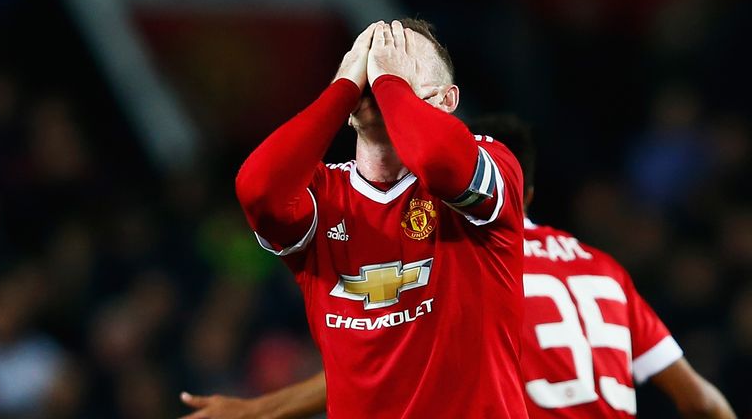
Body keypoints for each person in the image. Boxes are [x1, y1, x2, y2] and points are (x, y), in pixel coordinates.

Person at [181, 115, 736, 419]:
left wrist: (260, 411)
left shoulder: (474, 267)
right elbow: (700, 401)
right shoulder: (604, 271)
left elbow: (391, 374)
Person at [206, 19, 528, 419]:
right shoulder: (323, 196)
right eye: (370, 62)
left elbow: (436, 160)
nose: (380, 70)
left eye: (400, 58)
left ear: (447, 100)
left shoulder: (492, 162)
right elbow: (259, 191)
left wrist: (390, 86)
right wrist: (342, 90)